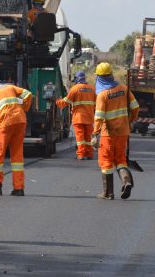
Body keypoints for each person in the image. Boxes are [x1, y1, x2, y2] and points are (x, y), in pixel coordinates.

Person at [91, 62, 139, 200]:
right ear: (111, 74)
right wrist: (130, 121)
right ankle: (127, 181)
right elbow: (135, 107)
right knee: (120, 160)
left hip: (108, 133)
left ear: (99, 77)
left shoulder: (102, 94)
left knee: (106, 161)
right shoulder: (123, 88)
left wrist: (95, 133)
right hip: (123, 131)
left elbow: (99, 117)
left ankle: (108, 193)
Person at [56, 71, 96, 160]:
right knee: (88, 137)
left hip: (78, 117)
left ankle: (81, 154)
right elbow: (97, 104)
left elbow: (66, 102)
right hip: (89, 117)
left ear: (77, 79)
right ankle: (89, 154)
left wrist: (57, 101)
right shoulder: (92, 89)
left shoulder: (75, 88)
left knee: (80, 137)